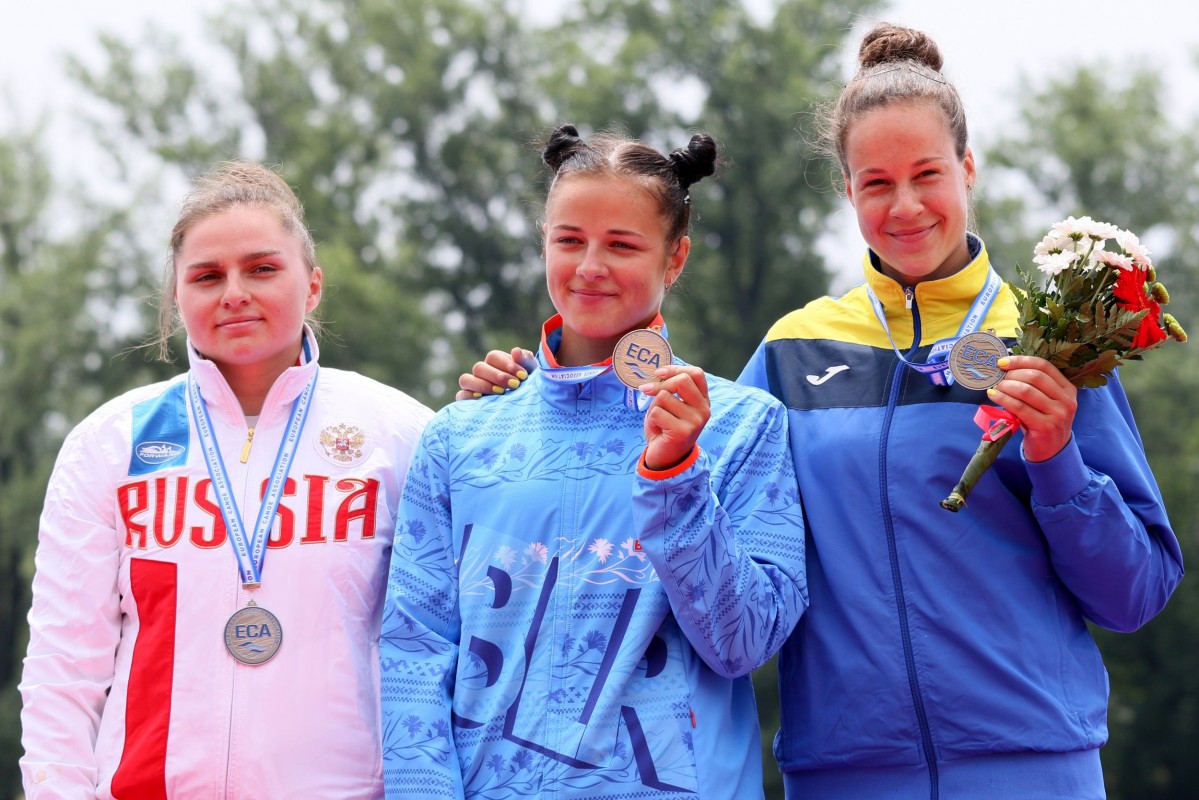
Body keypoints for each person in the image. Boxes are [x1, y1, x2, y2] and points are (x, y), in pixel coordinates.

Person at [458, 25, 1183, 800]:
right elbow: (671, 473)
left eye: (927, 175)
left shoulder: (1048, 345)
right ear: (846, 189)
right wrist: (533, 401)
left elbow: (1132, 595)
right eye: (875, 183)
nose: (904, 206)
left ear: (967, 168)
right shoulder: (792, 351)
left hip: (1030, 764)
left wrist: (1055, 458)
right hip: (842, 773)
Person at [379, 124, 808, 799]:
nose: (589, 267)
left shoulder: (743, 426)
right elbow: (415, 650)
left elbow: (744, 643)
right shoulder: (459, 435)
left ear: (675, 257)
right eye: (569, 240)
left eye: (622, 245)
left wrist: (676, 477)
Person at [19, 161, 433, 798]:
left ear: (313, 285)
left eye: (262, 269)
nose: (234, 292)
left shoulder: (402, 433)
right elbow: (63, 664)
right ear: (176, 297)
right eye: (207, 276)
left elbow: (439, 648)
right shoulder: (108, 444)